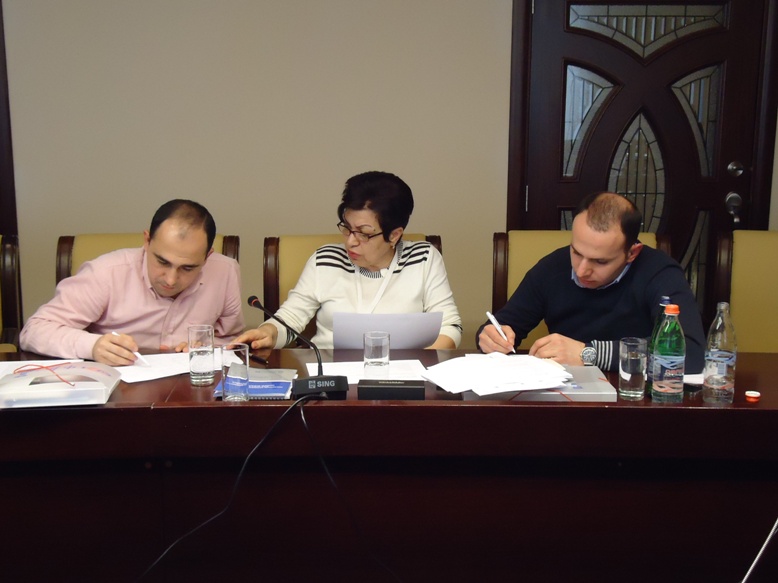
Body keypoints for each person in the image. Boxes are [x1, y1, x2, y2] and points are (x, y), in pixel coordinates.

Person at [477, 192, 705, 372]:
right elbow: (502, 325)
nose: (582, 270)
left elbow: (691, 353)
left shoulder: (660, 273)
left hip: (634, 397)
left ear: (631, 253)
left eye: (600, 261)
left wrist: (589, 353)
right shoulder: (552, 267)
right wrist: (490, 338)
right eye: (576, 252)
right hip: (566, 395)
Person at [235, 171, 462, 350]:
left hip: (403, 378)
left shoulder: (423, 258)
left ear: (394, 235)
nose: (351, 241)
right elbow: (291, 318)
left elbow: (450, 326)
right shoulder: (325, 260)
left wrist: (416, 367)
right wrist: (268, 332)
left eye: (364, 233)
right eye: (347, 228)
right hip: (332, 376)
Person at [20, 199, 244, 365]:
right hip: (117, 392)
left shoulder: (225, 272)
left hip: (190, 388)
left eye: (188, 268)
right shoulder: (106, 273)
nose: (171, 279)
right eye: (162, 261)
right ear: (147, 241)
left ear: (207, 256)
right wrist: (93, 346)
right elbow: (34, 330)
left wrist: (207, 346)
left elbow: (231, 341)